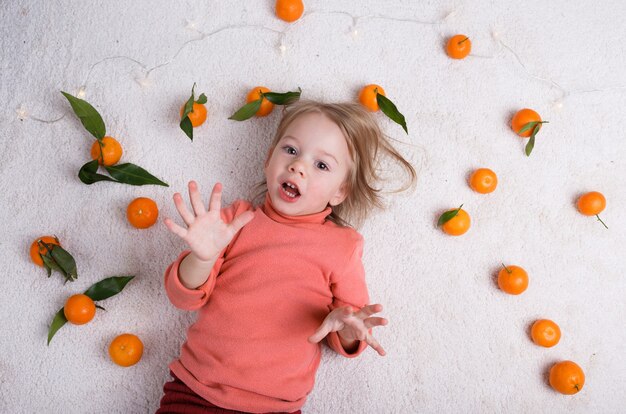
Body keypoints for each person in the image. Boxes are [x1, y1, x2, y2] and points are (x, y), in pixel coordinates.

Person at [157, 100, 416, 414]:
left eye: (321, 165)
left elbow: (352, 329)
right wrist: (201, 257)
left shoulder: (342, 246)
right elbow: (182, 298)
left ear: (340, 192)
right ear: (268, 160)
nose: (298, 166)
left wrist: (346, 326)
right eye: (291, 150)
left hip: (277, 406)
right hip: (197, 391)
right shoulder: (234, 221)